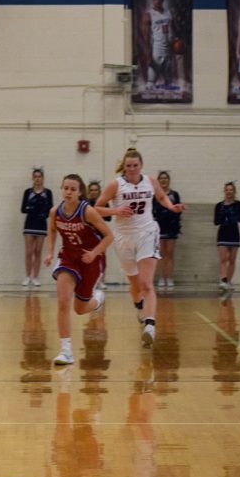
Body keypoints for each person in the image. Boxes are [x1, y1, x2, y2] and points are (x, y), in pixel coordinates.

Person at [95, 148, 185, 347]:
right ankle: (139, 307)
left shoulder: (150, 181)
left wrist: (171, 207)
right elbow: (96, 208)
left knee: (146, 284)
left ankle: (150, 326)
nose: (132, 169)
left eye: (135, 165)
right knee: (135, 287)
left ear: (141, 165)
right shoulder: (115, 185)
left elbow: (161, 197)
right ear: (124, 167)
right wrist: (116, 210)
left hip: (147, 232)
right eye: (129, 166)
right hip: (124, 237)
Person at [43, 174, 112, 365]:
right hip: (68, 258)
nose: (68, 192)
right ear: (61, 189)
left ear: (79, 192)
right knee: (63, 302)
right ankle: (66, 351)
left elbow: (108, 236)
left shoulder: (87, 211)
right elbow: (51, 230)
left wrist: (93, 253)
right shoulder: (55, 212)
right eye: (65, 188)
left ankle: (96, 300)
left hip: (91, 259)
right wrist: (49, 252)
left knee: (80, 309)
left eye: (73, 189)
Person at [139, 0, 183, 90]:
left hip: (168, 48)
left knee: (168, 78)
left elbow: (175, 28)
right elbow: (145, 37)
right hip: (156, 48)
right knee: (151, 81)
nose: (157, 1)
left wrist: (177, 41)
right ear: (152, 1)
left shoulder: (169, 12)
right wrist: (148, 53)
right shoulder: (148, 15)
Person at [20, 168, 53, 286]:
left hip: (41, 224)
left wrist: (42, 211)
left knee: (38, 252)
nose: (37, 179)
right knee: (29, 252)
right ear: (32, 178)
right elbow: (23, 209)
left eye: (39, 176)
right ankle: (27, 276)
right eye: (35, 176)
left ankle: (35, 277)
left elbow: (50, 209)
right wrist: (33, 207)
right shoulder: (28, 192)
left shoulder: (47, 192)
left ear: (43, 178)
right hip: (29, 224)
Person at [152, 171, 182, 288]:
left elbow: (178, 209)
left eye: (166, 178)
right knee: (160, 254)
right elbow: (152, 210)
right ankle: (161, 278)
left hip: (171, 227)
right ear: (158, 181)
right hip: (159, 227)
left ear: (169, 180)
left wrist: (175, 222)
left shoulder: (175, 194)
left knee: (170, 254)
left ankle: (169, 278)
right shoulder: (155, 195)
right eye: (161, 178)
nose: (163, 180)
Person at [215, 182, 240, 291]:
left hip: (234, 234)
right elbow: (216, 221)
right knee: (223, 258)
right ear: (224, 191)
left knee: (232, 259)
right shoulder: (219, 205)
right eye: (227, 190)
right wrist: (223, 215)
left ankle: (229, 281)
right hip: (223, 234)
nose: (229, 192)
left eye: (231, 190)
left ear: (234, 192)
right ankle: (223, 280)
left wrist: (231, 215)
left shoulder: (238, 204)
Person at [87, 180, 109, 289]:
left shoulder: (103, 202)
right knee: (89, 258)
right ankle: (90, 280)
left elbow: (109, 217)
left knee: (102, 258)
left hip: (101, 234)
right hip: (88, 234)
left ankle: (101, 280)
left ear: (99, 191)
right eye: (91, 190)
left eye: (96, 190)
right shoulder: (85, 203)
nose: (94, 192)